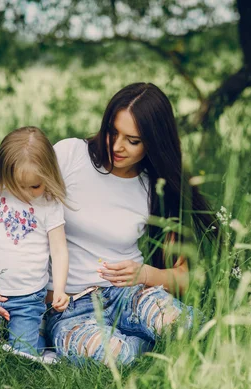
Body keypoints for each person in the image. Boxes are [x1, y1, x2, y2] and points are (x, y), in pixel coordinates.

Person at [42, 82, 220, 365]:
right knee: (113, 357)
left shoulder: (155, 188)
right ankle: (143, 346)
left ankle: (144, 334)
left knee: (190, 327)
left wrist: (145, 274)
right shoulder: (69, 155)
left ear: (153, 143)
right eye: (113, 132)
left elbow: (186, 276)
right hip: (68, 307)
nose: (116, 146)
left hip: (130, 295)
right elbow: (9, 211)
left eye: (133, 140)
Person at [0, 126, 70, 358]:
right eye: (18, 185)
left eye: (35, 186)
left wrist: (60, 288)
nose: (27, 193)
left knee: (24, 354)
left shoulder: (49, 203)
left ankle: (39, 336)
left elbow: (59, 250)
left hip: (28, 297)